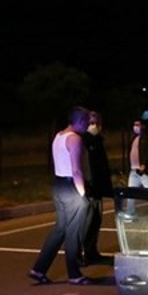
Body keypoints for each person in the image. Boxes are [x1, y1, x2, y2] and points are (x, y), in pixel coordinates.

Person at [29, 107, 94, 285]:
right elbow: (76, 169)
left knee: (60, 229)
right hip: (71, 185)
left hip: (58, 185)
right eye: (87, 122)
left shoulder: (59, 136)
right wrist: (82, 193)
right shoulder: (75, 139)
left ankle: (39, 269)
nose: (89, 125)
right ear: (79, 121)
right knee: (73, 232)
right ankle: (74, 274)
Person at [81, 110, 113, 265]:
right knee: (87, 222)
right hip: (89, 189)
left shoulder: (98, 141)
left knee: (96, 220)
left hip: (98, 188)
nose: (94, 126)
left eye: (96, 123)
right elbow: (87, 168)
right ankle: (83, 254)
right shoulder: (84, 141)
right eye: (91, 123)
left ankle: (92, 251)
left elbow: (102, 166)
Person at [126, 118, 148, 190]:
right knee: (130, 194)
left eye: (137, 125)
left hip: (144, 172)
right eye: (134, 125)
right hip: (134, 170)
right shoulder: (133, 138)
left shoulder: (147, 138)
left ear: (143, 126)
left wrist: (144, 164)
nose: (135, 127)